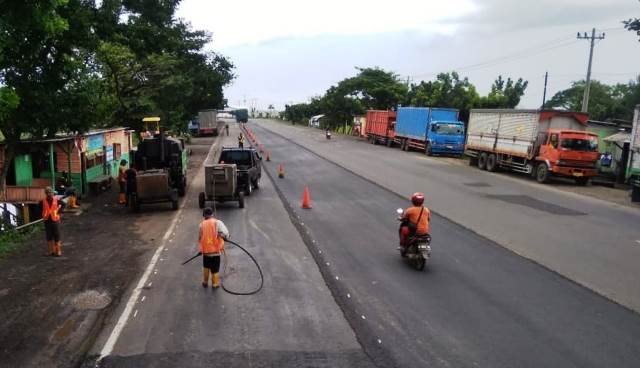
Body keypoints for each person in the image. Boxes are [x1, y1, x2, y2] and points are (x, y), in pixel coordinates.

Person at [199, 207, 229, 288]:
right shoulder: (217, 222)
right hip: (215, 252)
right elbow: (225, 233)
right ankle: (215, 284)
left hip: (206, 252)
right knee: (215, 269)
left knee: (206, 267)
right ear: (212, 214)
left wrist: (201, 250)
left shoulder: (201, 224)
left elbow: (200, 238)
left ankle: (205, 282)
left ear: (204, 215)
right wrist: (224, 237)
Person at [40, 187, 63, 256]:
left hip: (55, 220)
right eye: (48, 192)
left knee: (57, 235)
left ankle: (58, 251)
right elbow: (38, 209)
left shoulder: (56, 200)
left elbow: (63, 204)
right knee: (49, 236)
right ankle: (50, 251)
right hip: (47, 221)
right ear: (46, 193)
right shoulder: (42, 201)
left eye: (50, 192)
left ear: (52, 193)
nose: (49, 194)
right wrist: (42, 215)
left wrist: (59, 211)